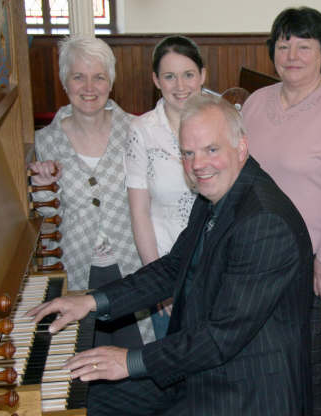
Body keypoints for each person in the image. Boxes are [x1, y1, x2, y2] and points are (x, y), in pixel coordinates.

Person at [28, 94, 314, 416]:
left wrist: (130, 360)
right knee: (88, 398)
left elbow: (221, 337)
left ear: (242, 147)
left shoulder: (264, 222)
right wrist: (93, 301)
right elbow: (174, 267)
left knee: (100, 394)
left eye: (211, 150)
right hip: (201, 368)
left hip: (245, 389)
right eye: (188, 153)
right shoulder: (216, 191)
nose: (198, 165)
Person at [241, 7, 321, 415]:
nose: (292, 55)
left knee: (316, 365)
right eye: (283, 45)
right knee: (265, 360)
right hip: (259, 260)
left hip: (315, 263)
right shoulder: (257, 103)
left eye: (304, 46)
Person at [27, 35, 154, 414]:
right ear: (65, 82)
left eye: (98, 77)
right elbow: (45, 220)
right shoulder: (44, 142)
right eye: (78, 77)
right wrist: (40, 189)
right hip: (78, 271)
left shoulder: (137, 130)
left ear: (111, 82)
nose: (89, 87)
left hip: (131, 267)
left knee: (138, 371)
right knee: (82, 380)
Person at [125, 36, 204, 338]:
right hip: (166, 265)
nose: (180, 86)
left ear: (203, 76)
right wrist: (158, 282)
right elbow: (140, 213)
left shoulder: (221, 122)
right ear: (156, 80)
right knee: (171, 364)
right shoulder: (142, 131)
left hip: (215, 264)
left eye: (188, 75)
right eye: (169, 76)